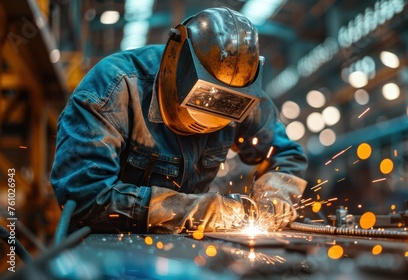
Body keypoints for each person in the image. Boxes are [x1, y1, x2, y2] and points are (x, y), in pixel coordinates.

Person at [50, 7, 308, 234]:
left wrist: (273, 200)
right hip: (106, 249)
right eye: (205, 99)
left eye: (225, 107)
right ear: (175, 64)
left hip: (187, 244)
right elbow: (84, 196)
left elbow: (286, 156)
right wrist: (206, 211)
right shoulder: (113, 88)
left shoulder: (242, 97)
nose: (209, 121)